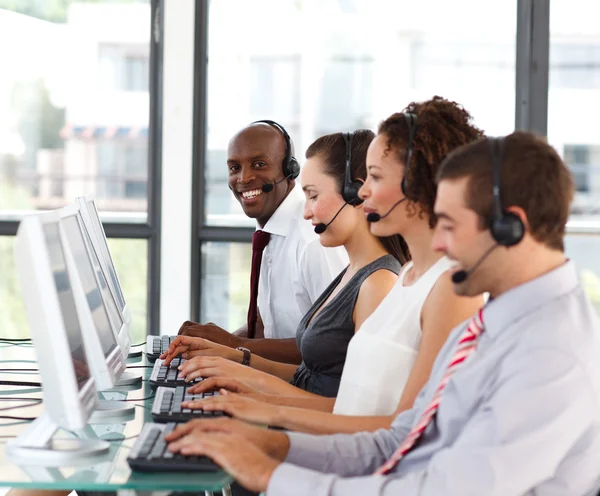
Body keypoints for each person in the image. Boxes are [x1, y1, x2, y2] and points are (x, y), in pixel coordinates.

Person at [165, 131, 600, 496]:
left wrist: (270, 473)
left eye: (448, 225)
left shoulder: (552, 351)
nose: (441, 245)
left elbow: (443, 489)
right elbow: (396, 441)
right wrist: (269, 444)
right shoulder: (498, 322)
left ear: (511, 226)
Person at [163, 97, 483, 432]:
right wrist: (239, 375)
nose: (364, 193)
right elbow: (346, 399)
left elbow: (400, 430)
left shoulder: (432, 286)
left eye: (375, 177)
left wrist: (265, 413)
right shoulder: (406, 278)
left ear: (414, 183)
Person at [163, 130, 408, 398]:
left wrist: (260, 399)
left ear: (355, 193)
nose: (244, 178)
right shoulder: (349, 269)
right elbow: (312, 374)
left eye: (313, 196)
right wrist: (228, 358)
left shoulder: (331, 254)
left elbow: (354, 408)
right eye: (234, 167)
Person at [178, 120, 348, 364]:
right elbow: (267, 322)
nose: (244, 178)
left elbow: (332, 346)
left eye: (259, 164)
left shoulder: (312, 239)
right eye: (234, 167)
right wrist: (217, 342)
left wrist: (234, 345)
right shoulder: (270, 228)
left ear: (289, 170)